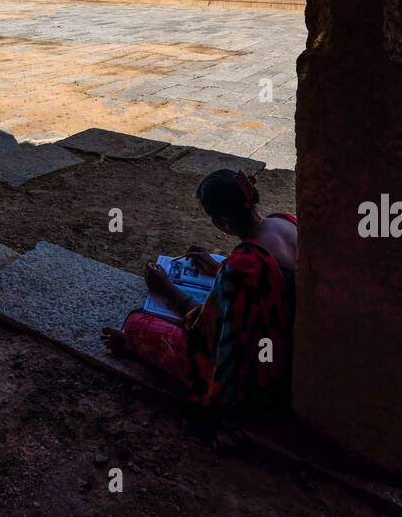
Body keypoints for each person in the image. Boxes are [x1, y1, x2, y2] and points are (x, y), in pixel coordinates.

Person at [102, 170, 297, 424]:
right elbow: (271, 279)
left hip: (264, 365)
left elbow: (207, 327)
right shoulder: (285, 221)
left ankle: (131, 345)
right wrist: (218, 266)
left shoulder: (241, 267)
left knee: (137, 324)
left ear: (222, 224)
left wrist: (167, 289)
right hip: (290, 333)